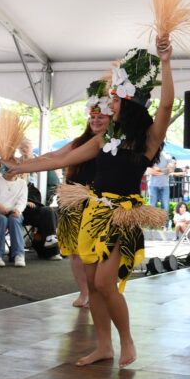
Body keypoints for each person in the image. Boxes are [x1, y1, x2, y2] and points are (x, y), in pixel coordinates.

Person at [6, 38, 175, 368]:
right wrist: (20, 167)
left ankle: (126, 340)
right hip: (94, 212)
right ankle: (103, 346)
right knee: (95, 287)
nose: (109, 104)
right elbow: (63, 158)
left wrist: (166, 63)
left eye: (115, 99)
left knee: (103, 283)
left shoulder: (149, 139)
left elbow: (167, 106)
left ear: (130, 104)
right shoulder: (104, 138)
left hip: (121, 215)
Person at [48, 78, 114, 308]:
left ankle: (99, 292)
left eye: (101, 117)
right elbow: (56, 156)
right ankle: (84, 292)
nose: (95, 120)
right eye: (92, 117)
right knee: (75, 253)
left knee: (95, 252)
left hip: (97, 204)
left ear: (111, 118)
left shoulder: (114, 144)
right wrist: (24, 163)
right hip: (73, 202)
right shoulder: (79, 142)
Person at [0, 167, 29, 267]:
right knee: (1, 219)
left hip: (14, 211)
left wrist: (18, 210)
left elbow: (22, 201)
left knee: (14, 220)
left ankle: (19, 255)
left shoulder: (22, 183)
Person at [147, 149, 172, 217]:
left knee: (165, 206)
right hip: (153, 185)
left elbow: (170, 170)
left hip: (165, 185)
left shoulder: (167, 156)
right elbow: (150, 171)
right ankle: (152, 225)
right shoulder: (151, 156)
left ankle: (165, 226)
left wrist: (158, 169)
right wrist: (164, 172)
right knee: (152, 206)